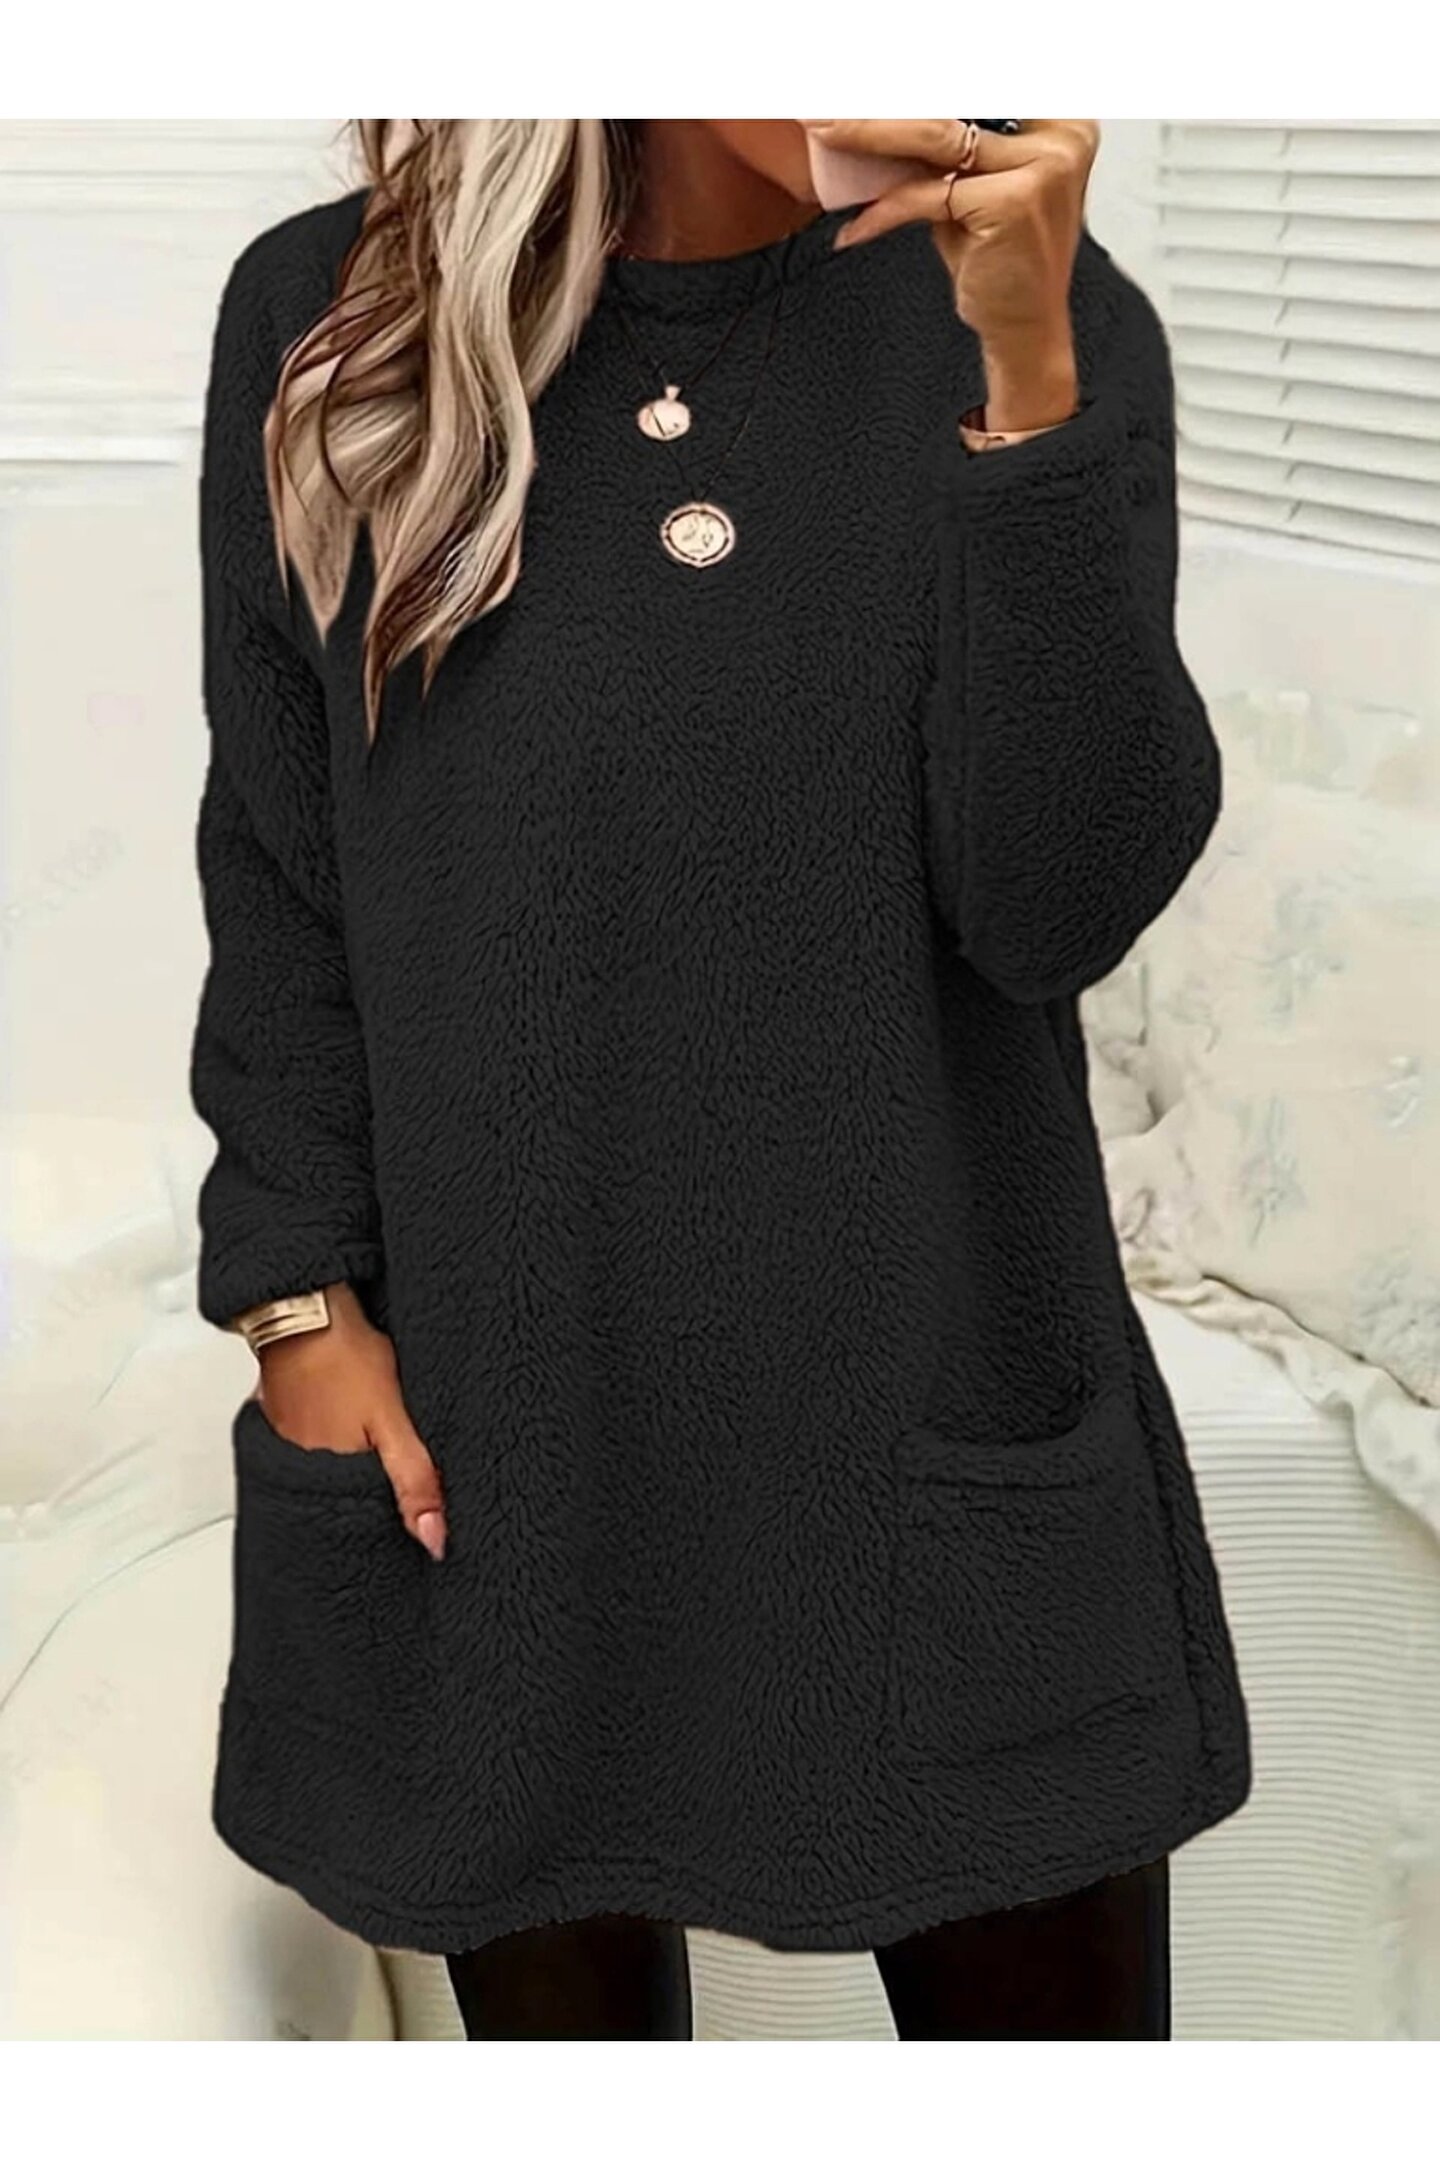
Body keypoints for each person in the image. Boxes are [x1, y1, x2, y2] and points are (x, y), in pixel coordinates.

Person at [191, 118, 1251, 2041]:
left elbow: (1055, 905)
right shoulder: (336, 315)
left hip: (935, 1413)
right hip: (508, 1457)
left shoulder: (1046, 317)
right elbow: (280, 868)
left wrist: (1027, 387)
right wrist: (295, 1304)